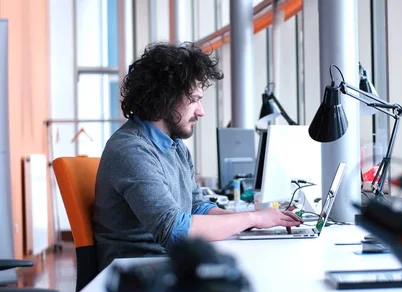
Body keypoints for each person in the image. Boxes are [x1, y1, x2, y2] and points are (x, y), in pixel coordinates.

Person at [93, 42, 302, 271]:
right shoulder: (132, 150)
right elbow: (174, 230)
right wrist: (252, 219)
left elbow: (196, 207)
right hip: (137, 276)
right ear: (164, 98)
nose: (201, 111)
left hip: (167, 265)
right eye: (194, 100)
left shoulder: (175, 146)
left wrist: (252, 219)